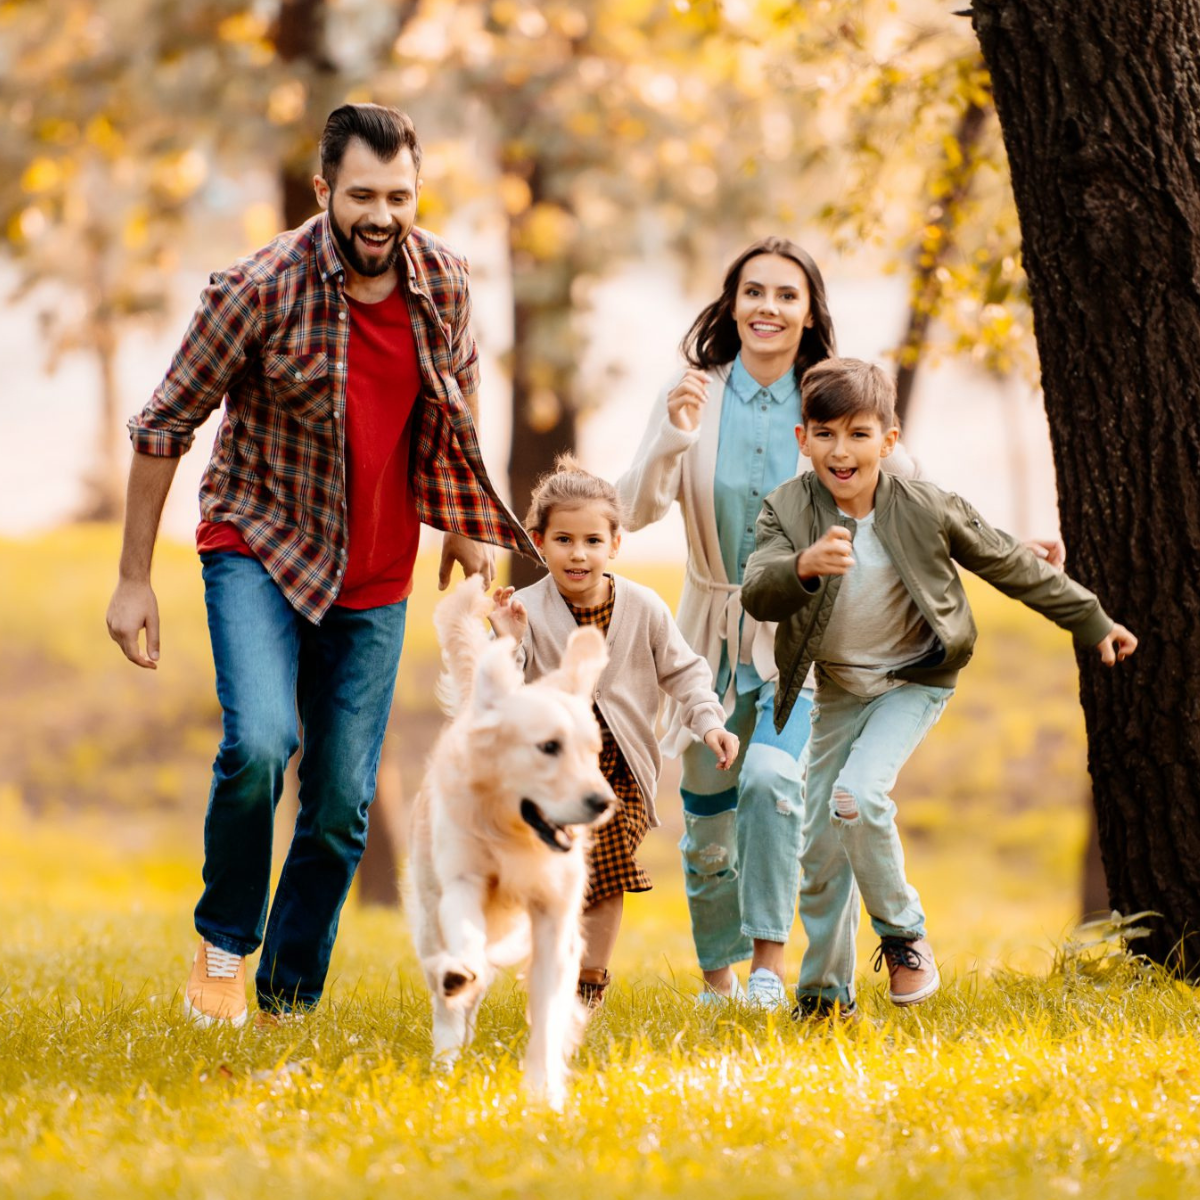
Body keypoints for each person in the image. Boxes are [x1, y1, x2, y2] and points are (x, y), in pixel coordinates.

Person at [105, 103, 535, 1027]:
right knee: (260, 744)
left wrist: (463, 519)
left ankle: (288, 999)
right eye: (361, 196)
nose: (381, 216)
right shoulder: (256, 289)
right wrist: (134, 577)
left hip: (375, 574)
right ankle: (225, 944)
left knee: (341, 803)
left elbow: (457, 395)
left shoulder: (446, 280)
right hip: (262, 544)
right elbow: (163, 424)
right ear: (323, 190)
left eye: (399, 197)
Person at [741, 358, 1137, 1012]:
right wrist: (803, 566)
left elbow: (1006, 561)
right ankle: (824, 997)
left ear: (888, 441)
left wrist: (1091, 618)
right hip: (839, 690)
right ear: (802, 439)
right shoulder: (785, 509)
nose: (841, 451)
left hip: (914, 680)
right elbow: (758, 590)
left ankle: (904, 935)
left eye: (859, 434)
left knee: (855, 797)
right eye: (826, 434)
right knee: (820, 852)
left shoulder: (923, 505)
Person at [489, 456, 740, 1007]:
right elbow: (503, 694)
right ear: (538, 542)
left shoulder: (643, 607)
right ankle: (553, 964)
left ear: (615, 544)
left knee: (604, 866)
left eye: (592, 541)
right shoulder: (527, 610)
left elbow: (686, 672)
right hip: (553, 772)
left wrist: (709, 722)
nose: (578, 554)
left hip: (621, 771)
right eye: (563, 540)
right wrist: (508, 640)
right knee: (555, 872)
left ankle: (588, 984)